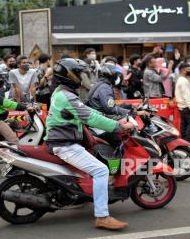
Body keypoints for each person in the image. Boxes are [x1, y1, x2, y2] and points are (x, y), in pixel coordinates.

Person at [45, 58, 134, 230]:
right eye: (79, 73)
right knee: (101, 170)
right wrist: (120, 126)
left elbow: (88, 111)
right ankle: (102, 216)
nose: (83, 77)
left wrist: (110, 119)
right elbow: (90, 117)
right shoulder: (67, 96)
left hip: (64, 140)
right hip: (65, 144)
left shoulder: (60, 92)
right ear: (69, 75)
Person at [175, 63, 190, 147]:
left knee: (184, 124)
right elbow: (186, 95)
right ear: (183, 70)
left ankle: (184, 142)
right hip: (186, 106)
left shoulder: (180, 80)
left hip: (182, 106)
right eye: (188, 69)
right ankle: (188, 142)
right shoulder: (183, 81)